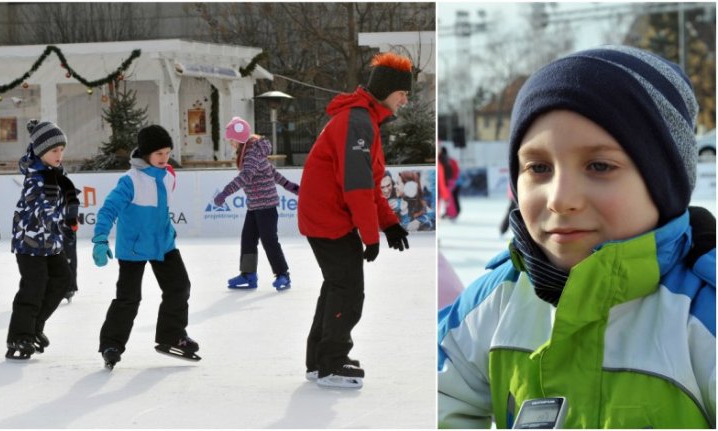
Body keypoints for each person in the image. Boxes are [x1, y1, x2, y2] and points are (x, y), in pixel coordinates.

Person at [438, 46, 715, 428]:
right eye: (538, 167)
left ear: (663, 182)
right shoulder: (494, 301)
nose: (560, 199)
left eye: (599, 166)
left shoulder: (703, 317)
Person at [298, 52, 412, 389]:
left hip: (327, 216)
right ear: (387, 90)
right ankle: (332, 363)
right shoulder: (358, 123)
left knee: (337, 285)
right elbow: (357, 187)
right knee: (348, 290)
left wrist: (388, 223)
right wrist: (370, 235)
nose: (406, 99)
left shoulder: (364, 120)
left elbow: (368, 184)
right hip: (328, 219)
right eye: (402, 92)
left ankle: (320, 361)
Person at [93, 124, 200, 370]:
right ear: (146, 154)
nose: (164, 158)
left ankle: (172, 335)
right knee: (128, 298)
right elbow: (109, 209)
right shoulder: (131, 180)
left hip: (163, 244)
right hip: (133, 247)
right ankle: (111, 344)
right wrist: (100, 238)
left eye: (167, 152)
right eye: (158, 154)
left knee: (179, 287)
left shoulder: (169, 175)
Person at [6, 120, 79, 360]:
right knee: (33, 287)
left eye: (61, 150)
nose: (59, 155)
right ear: (40, 152)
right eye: (53, 151)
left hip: (50, 243)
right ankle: (20, 335)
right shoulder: (37, 178)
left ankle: (34, 326)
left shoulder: (55, 174)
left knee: (62, 279)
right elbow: (44, 209)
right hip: (30, 243)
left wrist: (69, 213)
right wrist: (62, 221)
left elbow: (64, 199)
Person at [213, 117, 300, 291]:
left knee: (269, 240)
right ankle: (248, 274)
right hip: (254, 206)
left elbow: (245, 177)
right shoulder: (252, 151)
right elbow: (274, 173)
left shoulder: (252, 153)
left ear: (239, 138)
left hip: (266, 207)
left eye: (231, 139)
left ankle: (283, 274)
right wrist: (293, 188)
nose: (230, 143)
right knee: (248, 239)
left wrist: (225, 192)